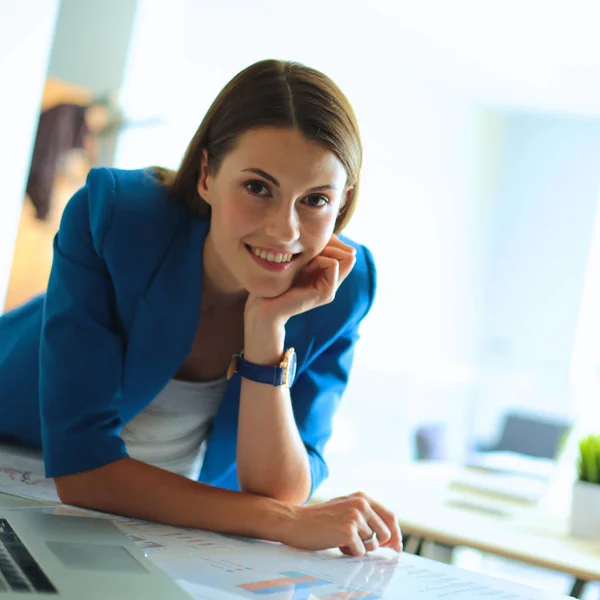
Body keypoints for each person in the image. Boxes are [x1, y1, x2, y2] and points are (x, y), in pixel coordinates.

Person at [0, 59, 401, 557]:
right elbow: (83, 470)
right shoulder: (117, 217)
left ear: (342, 205)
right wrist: (282, 521)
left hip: (149, 510)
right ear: (208, 175)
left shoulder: (343, 285)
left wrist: (266, 327)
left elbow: (280, 490)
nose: (284, 231)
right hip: (19, 457)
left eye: (315, 200)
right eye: (258, 187)